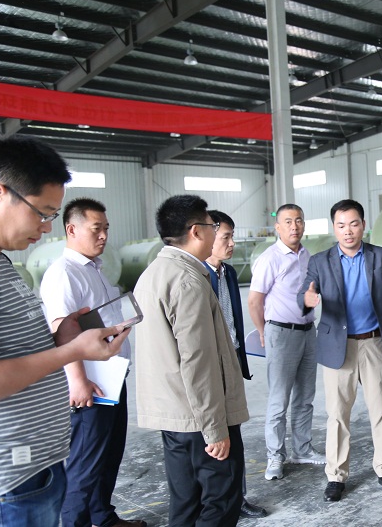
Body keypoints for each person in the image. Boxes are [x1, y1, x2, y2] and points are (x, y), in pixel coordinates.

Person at [0, 135, 128, 527]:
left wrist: (60, 337)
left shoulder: (2, 263)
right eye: (42, 212)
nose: (47, 227)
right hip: (10, 483)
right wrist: (71, 352)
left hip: (37, 466)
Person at [134, 195, 249, 527]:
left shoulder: (154, 273)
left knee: (186, 503)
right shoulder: (188, 282)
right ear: (196, 231)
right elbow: (198, 363)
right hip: (200, 418)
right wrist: (215, 429)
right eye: (213, 226)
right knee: (221, 502)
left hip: (173, 416)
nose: (216, 233)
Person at [298, 199, 382, 503]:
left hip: (374, 343)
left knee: (380, 410)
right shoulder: (320, 261)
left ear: (363, 225)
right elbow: (305, 292)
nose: (348, 230)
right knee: (337, 414)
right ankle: (336, 476)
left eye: (354, 224)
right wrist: (307, 300)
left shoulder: (379, 256)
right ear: (334, 228)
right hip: (337, 347)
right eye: (341, 225)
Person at [40, 198, 145, 527]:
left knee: (109, 454)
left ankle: (103, 516)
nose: (103, 236)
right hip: (91, 383)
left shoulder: (95, 269)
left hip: (112, 376)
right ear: (71, 229)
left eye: (106, 229)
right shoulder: (64, 274)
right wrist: (78, 381)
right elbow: (61, 331)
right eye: (96, 229)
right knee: (86, 463)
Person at [248, 204, 325, 483]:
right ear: (278, 227)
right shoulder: (269, 259)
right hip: (280, 333)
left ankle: (302, 449)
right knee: (279, 399)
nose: (295, 226)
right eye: (288, 222)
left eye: (299, 221)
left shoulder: (307, 256)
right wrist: (263, 332)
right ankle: (275, 455)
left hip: (307, 332)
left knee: (305, 396)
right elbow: (254, 301)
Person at [204, 210, 267, 520]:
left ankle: (237, 498)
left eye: (232, 236)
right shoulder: (196, 275)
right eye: (226, 237)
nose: (232, 243)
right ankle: (216, 502)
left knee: (235, 435)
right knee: (214, 438)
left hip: (232, 361)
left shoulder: (227, 272)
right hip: (208, 367)